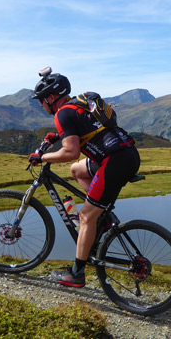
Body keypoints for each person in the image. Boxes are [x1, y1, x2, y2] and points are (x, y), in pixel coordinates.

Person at [28, 67, 140, 288]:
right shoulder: (79, 104)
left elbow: (71, 152)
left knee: (86, 216)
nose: (41, 105)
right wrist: (58, 136)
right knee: (76, 170)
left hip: (115, 161)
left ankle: (77, 273)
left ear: (51, 97)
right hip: (125, 153)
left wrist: (41, 158)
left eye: (42, 100)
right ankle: (100, 216)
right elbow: (87, 129)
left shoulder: (62, 113)